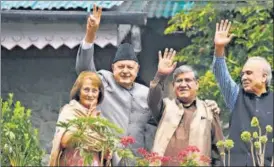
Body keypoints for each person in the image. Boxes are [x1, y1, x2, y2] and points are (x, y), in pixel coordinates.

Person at [75, 5, 155, 165]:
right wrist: (90, 35)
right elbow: (84, 71)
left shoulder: (146, 93)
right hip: (108, 158)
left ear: (137, 70)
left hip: (138, 161)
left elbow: (164, 116)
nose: (125, 71)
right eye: (121, 67)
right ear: (113, 68)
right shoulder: (104, 81)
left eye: (130, 67)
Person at [212, 19, 273, 166]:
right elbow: (221, 75)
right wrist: (219, 48)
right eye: (243, 74)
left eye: (249, 73)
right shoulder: (235, 96)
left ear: (264, 77)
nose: (244, 77)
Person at [148, 48, 224, 166]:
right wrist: (160, 75)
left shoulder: (209, 110)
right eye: (179, 81)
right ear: (173, 86)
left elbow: (220, 150)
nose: (183, 84)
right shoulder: (165, 107)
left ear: (197, 84)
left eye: (188, 80)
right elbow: (152, 100)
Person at [49, 71, 109, 166]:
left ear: (99, 94)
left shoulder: (100, 118)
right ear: (78, 92)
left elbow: (105, 154)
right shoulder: (69, 111)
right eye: (86, 90)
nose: (90, 94)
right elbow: (65, 141)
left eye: (94, 91)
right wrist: (89, 122)